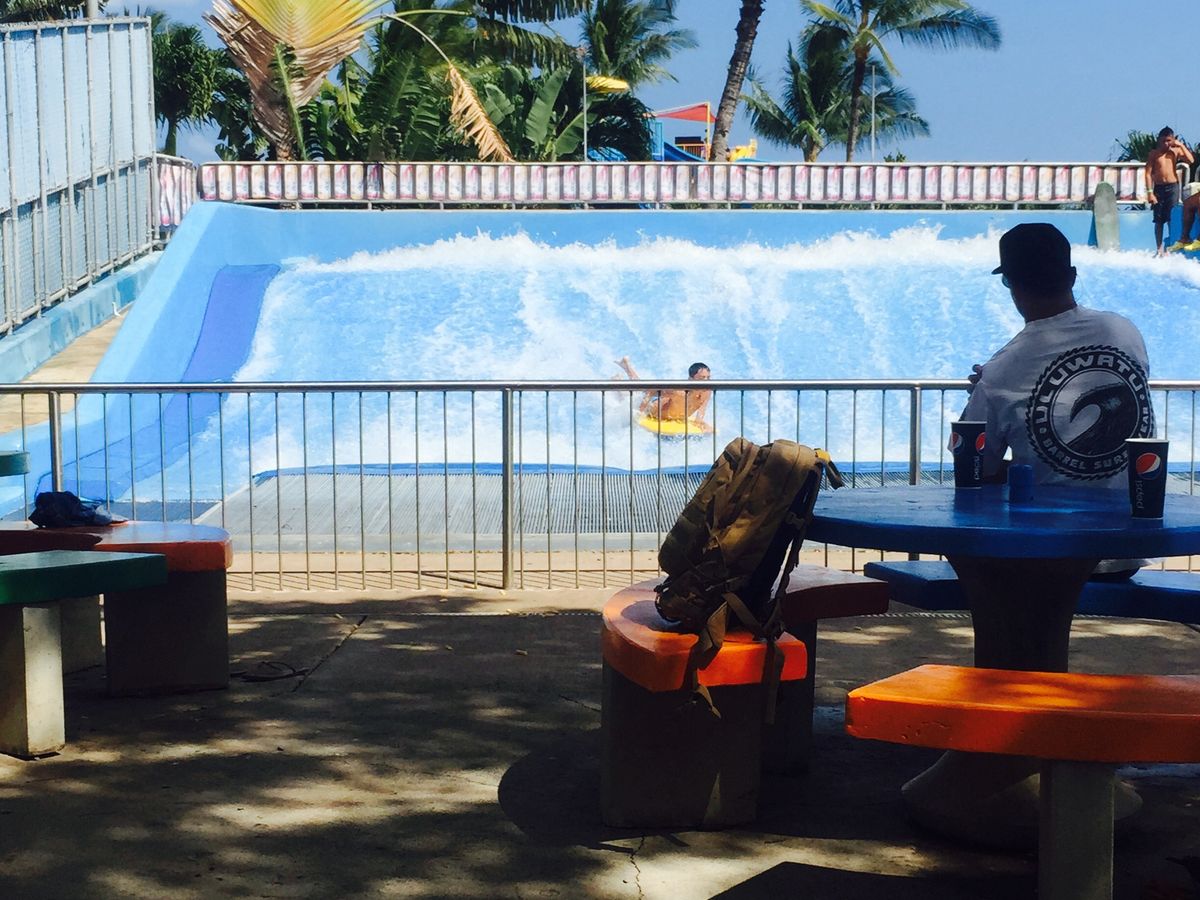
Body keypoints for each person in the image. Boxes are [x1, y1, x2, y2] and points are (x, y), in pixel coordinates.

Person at [963, 222, 1155, 576]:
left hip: (1048, 556)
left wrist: (983, 392)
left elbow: (977, 469)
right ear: (1072, 276)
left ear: (1011, 284)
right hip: (1127, 552)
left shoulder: (1002, 370)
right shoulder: (1124, 331)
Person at [615, 357, 712, 425]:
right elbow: (652, 389)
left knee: (641, 389)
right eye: (702, 378)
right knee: (635, 395)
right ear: (691, 379)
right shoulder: (678, 392)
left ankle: (625, 366)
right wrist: (639, 412)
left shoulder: (707, 391)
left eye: (708, 378)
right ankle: (617, 382)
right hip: (652, 409)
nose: (706, 381)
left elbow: (702, 408)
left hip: (671, 415)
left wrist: (699, 421)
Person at [1146, 127, 1194, 255]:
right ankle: (1159, 248)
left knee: (1171, 218)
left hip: (1173, 187)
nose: (1166, 144)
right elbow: (1148, 174)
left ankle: (1171, 246)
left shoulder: (1175, 152)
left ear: (1172, 140)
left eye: (1168, 141)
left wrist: (1180, 145)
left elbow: (1190, 160)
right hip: (1159, 188)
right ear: (1159, 141)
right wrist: (1150, 192)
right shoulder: (1154, 154)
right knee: (1158, 220)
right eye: (1163, 141)